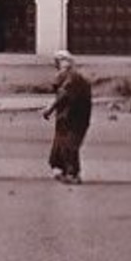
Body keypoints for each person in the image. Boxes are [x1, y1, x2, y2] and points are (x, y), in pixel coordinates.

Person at [43, 49, 92, 184]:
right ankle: (64, 169)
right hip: (68, 118)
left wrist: (49, 109)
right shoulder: (72, 77)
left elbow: (62, 95)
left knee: (69, 145)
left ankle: (72, 173)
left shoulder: (73, 78)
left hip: (74, 119)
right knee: (62, 144)